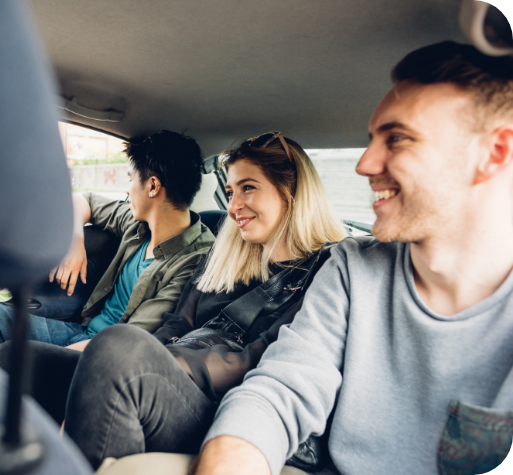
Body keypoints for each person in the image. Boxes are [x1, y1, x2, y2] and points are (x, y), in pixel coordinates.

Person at [194, 42, 513, 475]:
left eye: (396, 139)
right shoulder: (352, 268)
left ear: (493, 154)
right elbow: (282, 388)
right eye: (371, 140)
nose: (365, 164)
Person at [0, 133, 347, 469]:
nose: (234, 205)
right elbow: (178, 324)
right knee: (19, 359)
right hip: (176, 375)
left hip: (226, 406)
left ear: (292, 191)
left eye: (247, 189)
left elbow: (257, 359)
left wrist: (155, 360)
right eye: (230, 191)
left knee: (118, 347)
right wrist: (143, 353)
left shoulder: (326, 271)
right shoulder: (227, 257)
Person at [0, 130, 215, 355]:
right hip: (79, 331)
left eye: (130, 178)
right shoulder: (138, 223)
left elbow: (131, 340)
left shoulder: (194, 261)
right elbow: (85, 199)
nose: (127, 189)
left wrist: (46, 359)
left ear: (153, 186)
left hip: (99, 356)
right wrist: (75, 239)